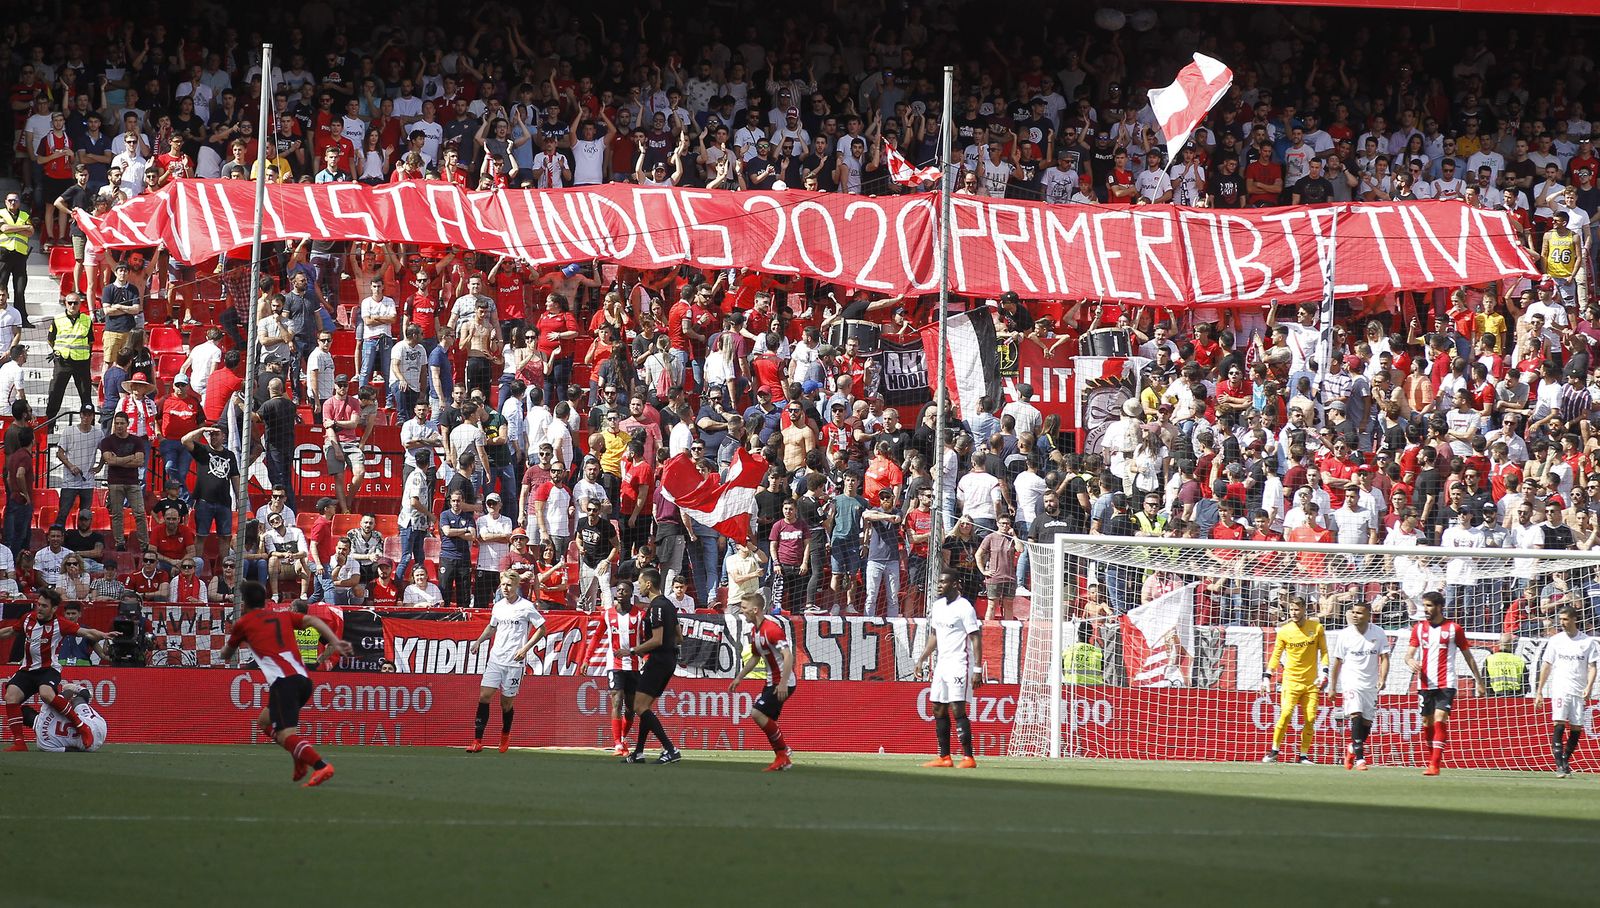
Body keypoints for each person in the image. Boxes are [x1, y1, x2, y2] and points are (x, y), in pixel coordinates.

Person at [218, 580, 352, 786]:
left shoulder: (243, 624)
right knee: (264, 722)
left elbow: (226, 654)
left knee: (285, 734)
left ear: (244, 603)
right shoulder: (282, 616)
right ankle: (299, 760)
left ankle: (321, 765)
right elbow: (314, 621)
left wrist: (226, 648)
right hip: (304, 680)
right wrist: (334, 641)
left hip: (284, 682)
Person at [1, 590, 118, 750]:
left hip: (48, 670)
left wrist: (103, 635)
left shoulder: (60, 624)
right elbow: (10, 631)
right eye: (38, 604)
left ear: (54, 609)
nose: (39, 608)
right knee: (10, 696)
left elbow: (87, 632)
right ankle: (19, 743)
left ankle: (82, 727)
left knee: (46, 694)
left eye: (44, 606)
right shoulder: (28, 618)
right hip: (27, 670)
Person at [1401, 590, 1488, 776]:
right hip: (1424, 683)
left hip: (1446, 681)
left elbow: (1468, 657)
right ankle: (1432, 760)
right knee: (1427, 721)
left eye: (1429, 605)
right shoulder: (1418, 628)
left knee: (1440, 719)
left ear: (1440, 607)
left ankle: (1435, 764)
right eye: (1424, 605)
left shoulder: (1454, 629)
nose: (1425, 609)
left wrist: (1479, 682)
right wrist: (1410, 661)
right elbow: (1408, 654)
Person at [467, 571, 547, 753]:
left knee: (506, 704)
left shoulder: (526, 607)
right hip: (496, 659)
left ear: (516, 586)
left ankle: (505, 733)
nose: (505, 588)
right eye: (503, 584)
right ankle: (477, 741)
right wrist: (479, 641)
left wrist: (525, 648)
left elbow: (542, 629)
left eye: (509, 585)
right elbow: (492, 626)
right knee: (484, 696)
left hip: (514, 662)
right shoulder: (498, 606)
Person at [916, 570, 982, 769]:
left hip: (959, 664)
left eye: (943, 582)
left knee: (957, 708)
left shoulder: (965, 607)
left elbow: (976, 638)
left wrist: (978, 669)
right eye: (938, 582)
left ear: (955, 584)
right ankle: (944, 757)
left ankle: (968, 758)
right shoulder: (937, 606)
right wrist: (922, 658)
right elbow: (935, 635)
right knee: (937, 707)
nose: (939, 585)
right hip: (942, 664)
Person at [728, 593, 797, 772]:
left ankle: (783, 752)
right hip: (771, 682)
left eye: (744, 608)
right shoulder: (755, 631)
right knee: (764, 718)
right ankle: (783, 755)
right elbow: (754, 658)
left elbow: (788, 655)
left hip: (783, 682)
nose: (742, 611)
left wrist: (782, 683)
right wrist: (739, 677)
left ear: (755, 609)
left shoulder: (771, 629)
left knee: (757, 713)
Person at [1532, 605, 1600, 778]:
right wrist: (1539, 691)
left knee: (1576, 727)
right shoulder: (1555, 640)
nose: (1562, 623)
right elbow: (1546, 665)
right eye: (1560, 619)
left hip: (1579, 690)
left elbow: (1592, 667)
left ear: (1574, 619)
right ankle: (1559, 765)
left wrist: (1589, 686)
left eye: (1565, 619)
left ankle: (1565, 759)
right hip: (1560, 688)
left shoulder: (1587, 642)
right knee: (1559, 722)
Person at [623, 568, 681, 764]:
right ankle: (639, 752)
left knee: (638, 706)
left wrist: (633, 650)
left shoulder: (656, 607)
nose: (639, 586)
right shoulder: (670, 605)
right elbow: (679, 637)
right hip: (669, 660)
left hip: (658, 660)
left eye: (640, 582)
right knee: (644, 707)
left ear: (649, 584)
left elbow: (657, 640)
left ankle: (670, 749)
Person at [1262, 597, 1327, 764]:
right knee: (1285, 714)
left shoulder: (1317, 628)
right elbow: (1276, 654)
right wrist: (1267, 676)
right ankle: (1274, 751)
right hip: (1291, 681)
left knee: (1311, 718)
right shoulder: (1284, 631)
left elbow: (1324, 652)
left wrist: (1324, 672)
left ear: (1304, 609)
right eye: (1291, 610)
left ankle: (1303, 755)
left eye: (1297, 609)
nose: (1294, 613)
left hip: (1311, 683)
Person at [1328, 601, 1391, 771]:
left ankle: (1352, 749)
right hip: (1350, 681)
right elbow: (1337, 663)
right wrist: (1332, 687)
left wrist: (1382, 678)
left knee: (1367, 723)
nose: (1355, 616)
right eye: (1354, 612)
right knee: (1355, 714)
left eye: (1360, 613)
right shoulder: (1345, 635)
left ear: (1369, 615)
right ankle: (1360, 760)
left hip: (1370, 684)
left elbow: (1385, 657)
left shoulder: (1378, 633)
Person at [589, 587, 642, 755]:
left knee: (630, 708)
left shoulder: (640, 615)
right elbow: (597, 636)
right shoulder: (607, 614)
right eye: (618, 590)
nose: (619, 592)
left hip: (634, 665)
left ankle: (623, 738)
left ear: (631, 594)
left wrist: (646, 660)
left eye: (624, 590)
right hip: (615, 665)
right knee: (617, 700)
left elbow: (647, 639)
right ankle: (617, 743)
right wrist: (586, 659)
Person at [25, 682, 106, 752]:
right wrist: (66, 691)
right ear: (33, 712)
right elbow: (68, 693)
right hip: (97, 725)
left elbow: (70, 750)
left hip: (90, 746)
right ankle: (82, 690)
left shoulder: (43, 745)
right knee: (78, 700)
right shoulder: (47, 707)